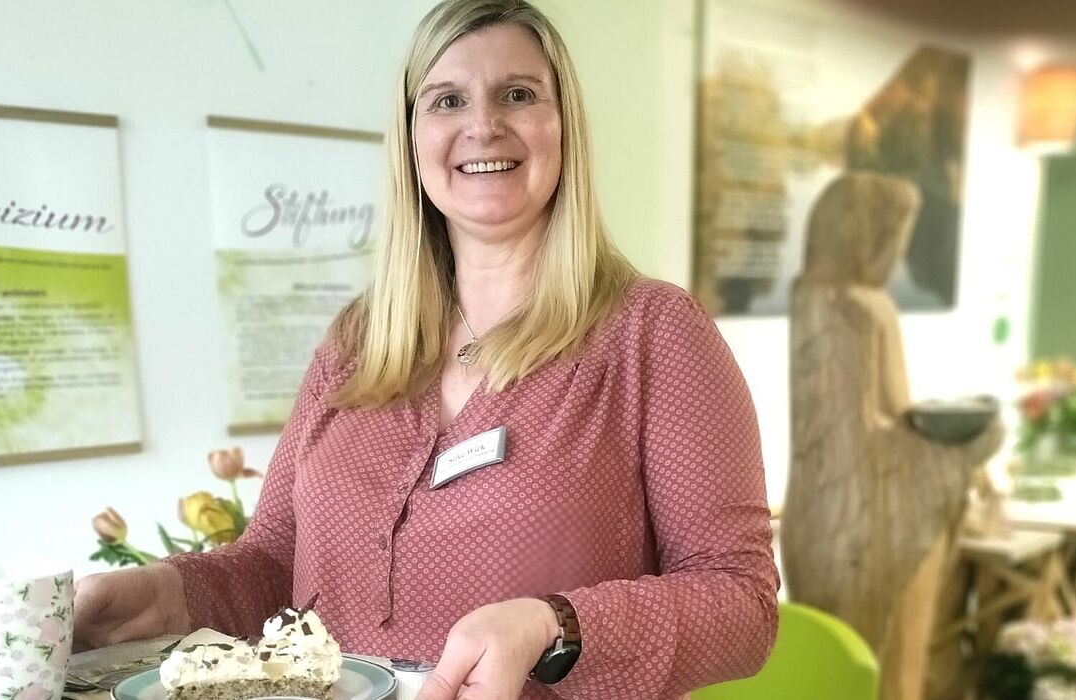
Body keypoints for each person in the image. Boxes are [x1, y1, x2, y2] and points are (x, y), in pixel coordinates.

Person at [72, 1, 779, 697]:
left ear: (565, 127)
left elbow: (742, 603)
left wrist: (554, 625)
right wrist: (165, 596)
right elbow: (279, 559)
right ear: (412, 136)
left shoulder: (652, 333)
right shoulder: (357, 341)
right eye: (446, 100)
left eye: (519, 94)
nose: (483, 125)